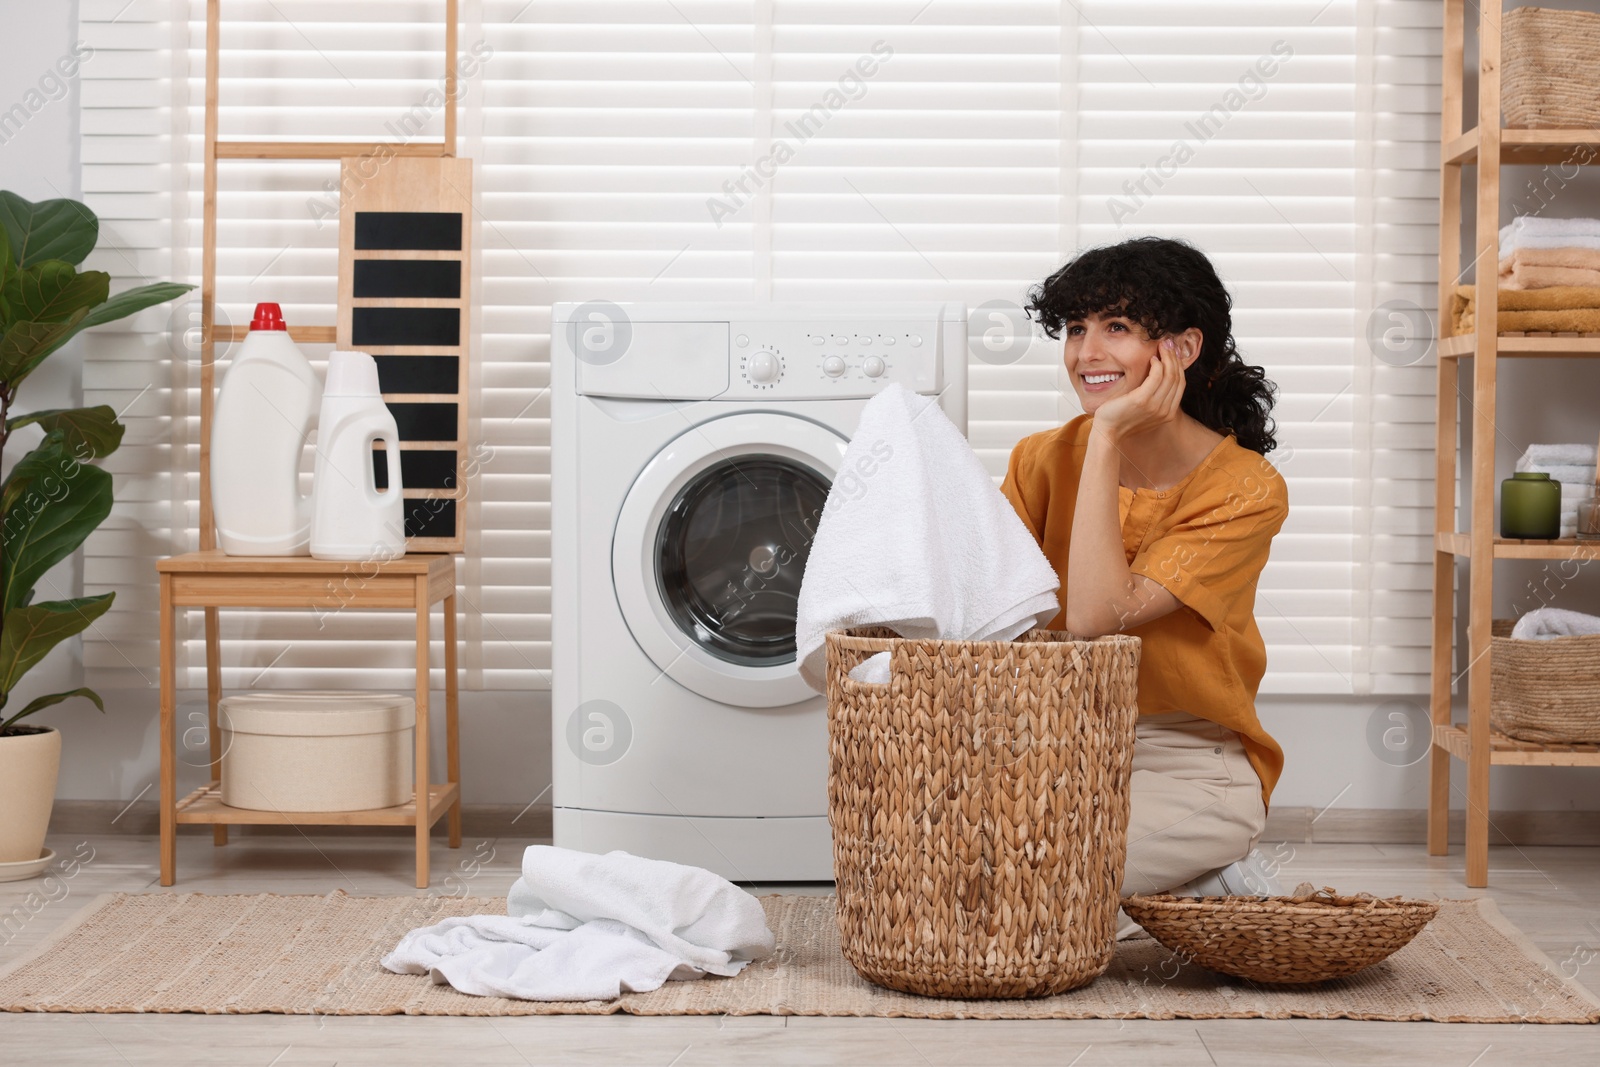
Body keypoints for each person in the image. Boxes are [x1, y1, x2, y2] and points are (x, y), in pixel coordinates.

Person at [1000, 236, 1289, 902]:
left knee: (1037, 890)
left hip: (1187, 758)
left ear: (1182, 350)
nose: (1085, 353)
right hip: (1054, 742)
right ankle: (1184, 893)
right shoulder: (1038, 460)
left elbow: (1100, 617)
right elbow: (987, 608)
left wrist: (1105, 439)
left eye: (1117, 328)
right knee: (962, 878)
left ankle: (1188, 875)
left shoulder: (1245, 487)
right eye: (1075, 329)